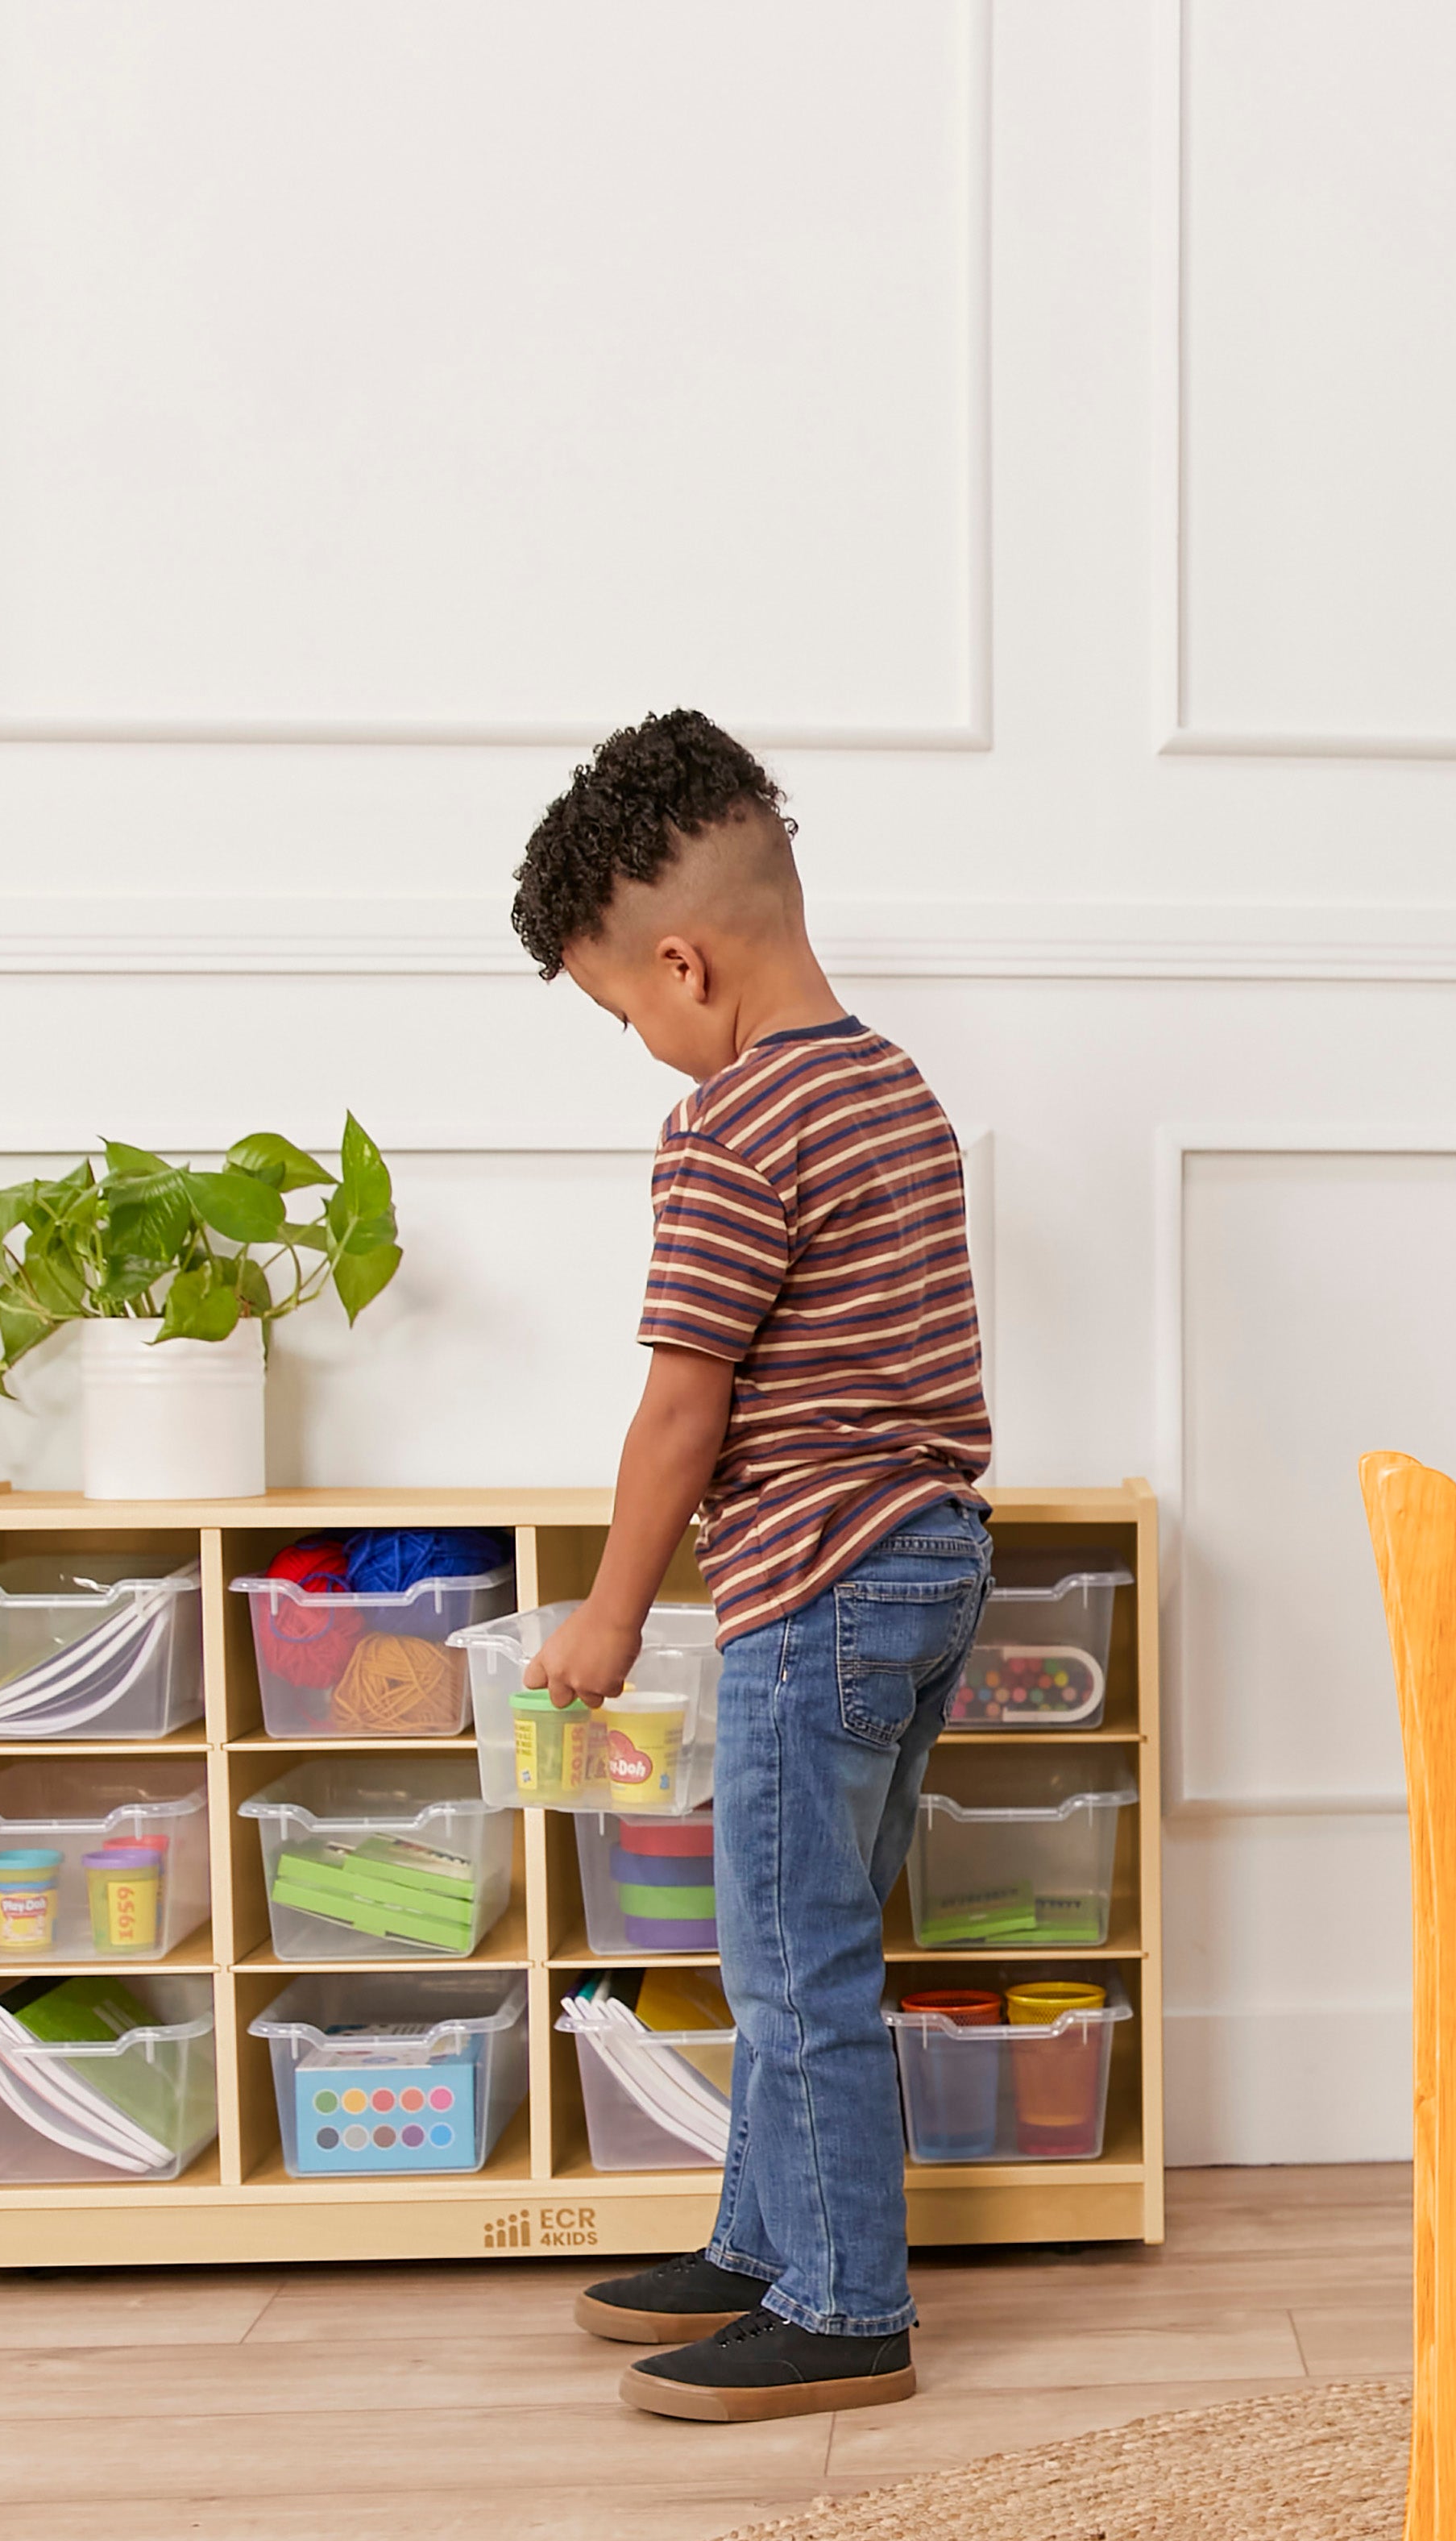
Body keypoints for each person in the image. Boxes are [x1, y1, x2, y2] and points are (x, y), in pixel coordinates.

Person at [508, 709, 993, 2422]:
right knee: (815, 1930)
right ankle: (759, 2243)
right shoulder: (891, 1087)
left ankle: (846, 2304)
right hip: (928, 1560)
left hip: (820, 1583)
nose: (641, 1042)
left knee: (788, 1961)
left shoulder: (732, 1123)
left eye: (623, 1010)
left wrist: (607, 1612)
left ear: (681, 962)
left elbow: (677, 1411)